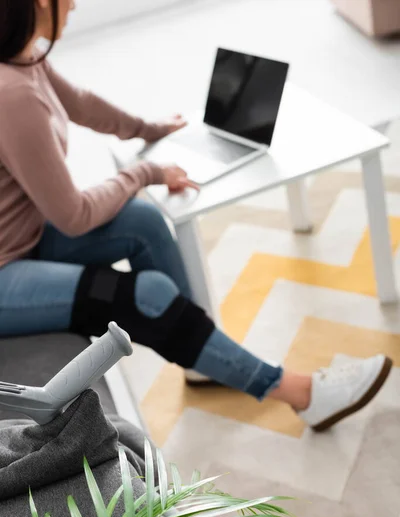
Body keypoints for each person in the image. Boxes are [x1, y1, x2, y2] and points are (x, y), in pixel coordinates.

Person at [0, 0, 393, 433]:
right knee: (146, 294)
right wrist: (146, 170)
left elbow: (81, 103)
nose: (75, 3)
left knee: (144, 222)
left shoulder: (24, 58)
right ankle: (298, 392)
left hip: (20, 237)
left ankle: (202, 360)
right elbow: (74, 215)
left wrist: (148, 129)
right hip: (5, 274)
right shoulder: (12, 95)